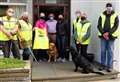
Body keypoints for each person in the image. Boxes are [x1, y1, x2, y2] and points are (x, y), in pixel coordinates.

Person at [97, 3, 119, 72]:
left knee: (110, 51)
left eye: (110, 7)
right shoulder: (101, 15)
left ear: (111, 8)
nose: (109, 8)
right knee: (103, 51)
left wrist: (108, 33)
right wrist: (104, 33)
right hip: (103, 36)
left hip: (111, 37)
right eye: (107, 7)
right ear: (106, 8)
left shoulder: (115, 15)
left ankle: (109, 67)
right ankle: (102, 65)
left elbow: (116, 26)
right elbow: (99, 25)